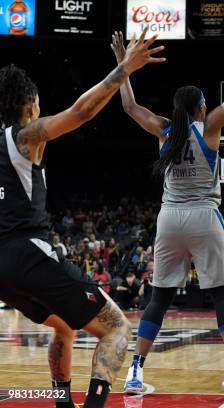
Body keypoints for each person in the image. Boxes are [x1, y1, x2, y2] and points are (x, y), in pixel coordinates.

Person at [111, 7, 224, 399]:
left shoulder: (164, 129)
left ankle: (135, 371)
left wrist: (123, 66)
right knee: (222, 293)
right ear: (200, 108)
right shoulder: (209, 128)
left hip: (168, 219)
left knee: (159, 298)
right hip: (204, 216)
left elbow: (127, 107)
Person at [0, 27, 164, 408]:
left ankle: (62, 404)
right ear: (29, 106)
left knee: (62, 328)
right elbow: (81, 111)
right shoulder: (26, 136)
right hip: (29, 254)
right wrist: (124, 68)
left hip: (2, 266)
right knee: (118, 329)